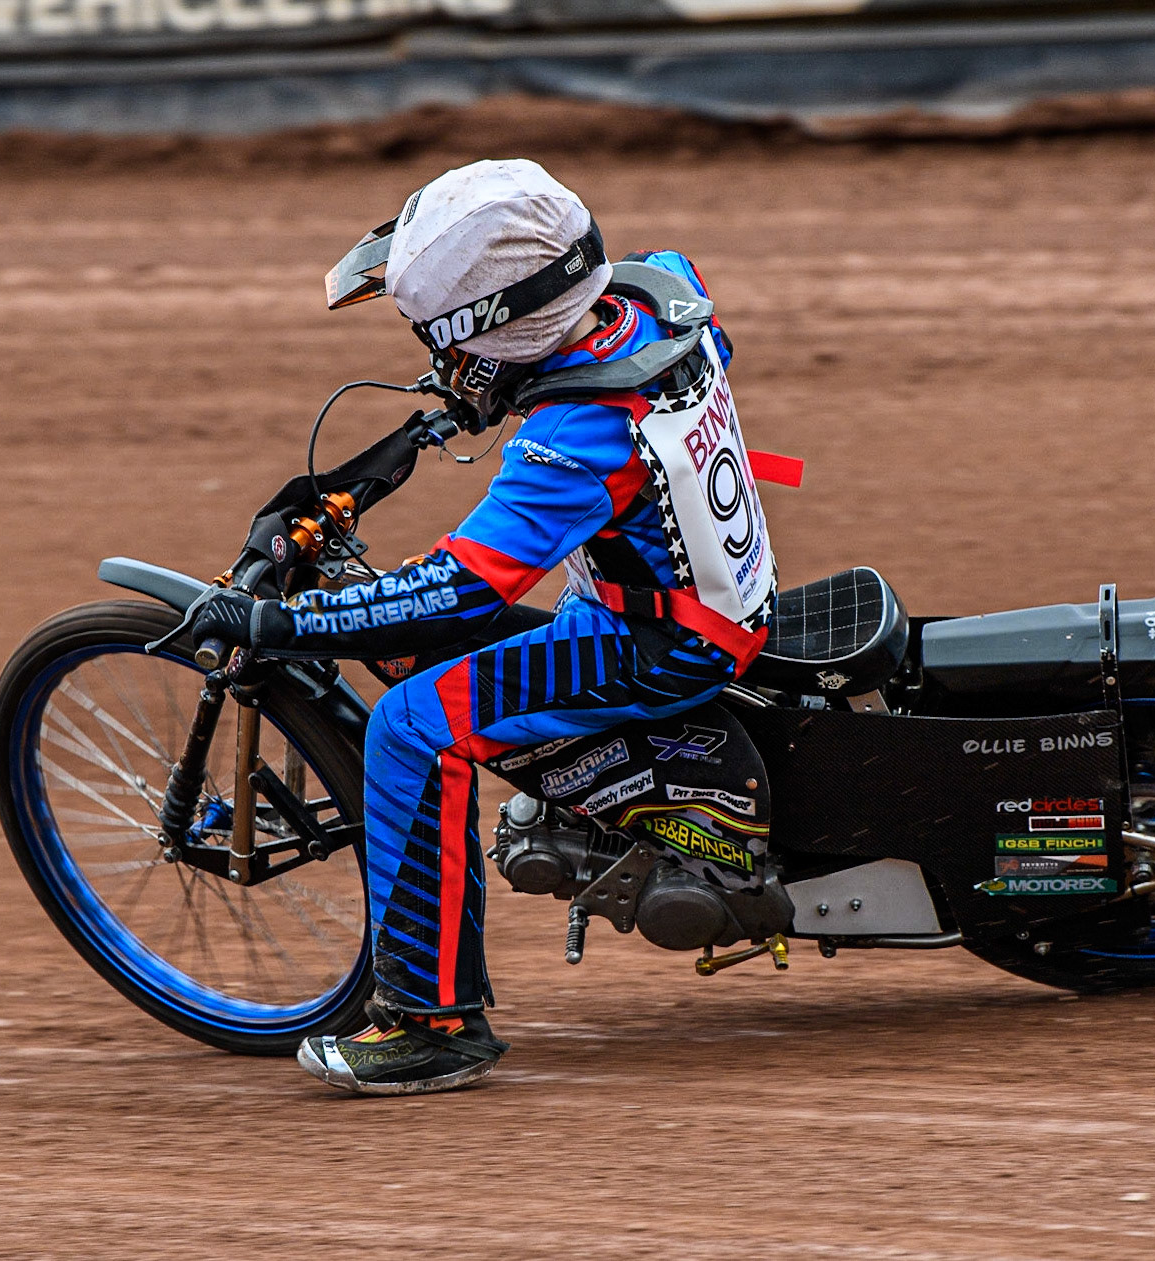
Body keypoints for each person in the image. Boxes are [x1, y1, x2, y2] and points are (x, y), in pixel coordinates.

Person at [191, 159, 778, 1095]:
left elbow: (458, 590)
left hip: (659, 645)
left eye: (440, 341)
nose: (435, 360)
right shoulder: (664, 294)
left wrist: (278, 619)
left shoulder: (576, 440)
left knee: (410, 728)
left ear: (502, 327)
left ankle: (432, 1023)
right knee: (400, 645)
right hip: (710, 598)